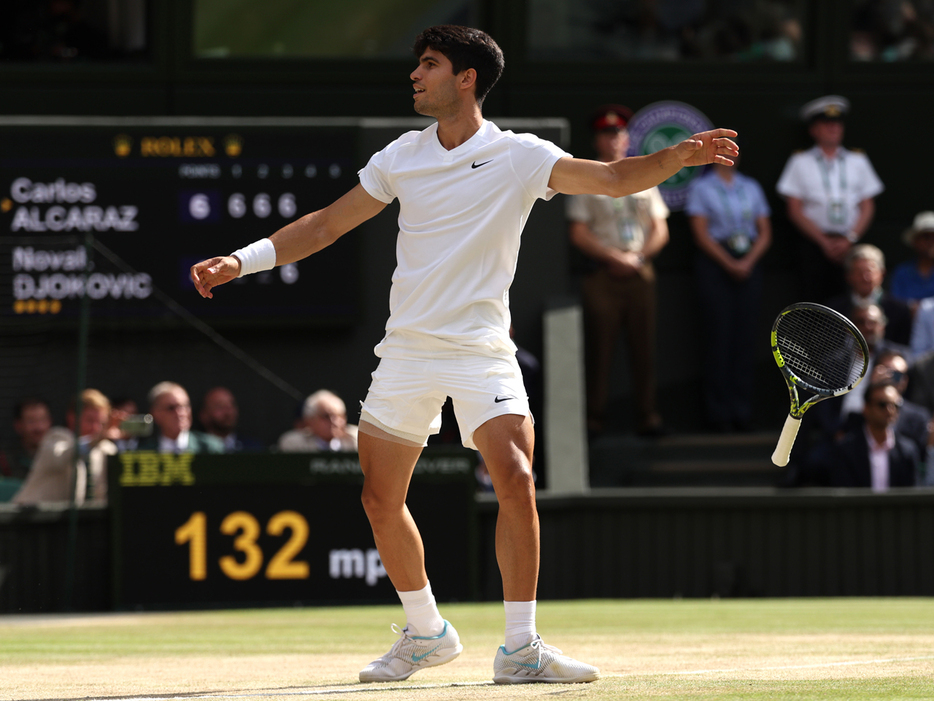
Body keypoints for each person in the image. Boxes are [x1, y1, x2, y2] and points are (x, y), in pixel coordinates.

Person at [190, 24, 737, 685]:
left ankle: (521, 647)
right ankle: (425, 632)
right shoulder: (402, 155)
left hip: (481, 349)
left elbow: (617, 178)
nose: (415, 75)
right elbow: (326, 224)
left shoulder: (520, 155)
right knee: (378, 497)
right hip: (408, 350)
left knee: (515, 475)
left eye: (429, 64)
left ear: (467, 78)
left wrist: (677, 157)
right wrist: (243, 260)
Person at [565, 104, 670, 437]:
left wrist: (638, 257)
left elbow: (660, 228)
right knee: (600, 346)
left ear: (627, 138)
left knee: (645, 347)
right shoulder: (585, 175)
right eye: (607, 135)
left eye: (619, 134)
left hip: (640, 272)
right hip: (602, 274)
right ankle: (594, 417)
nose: (614, 140)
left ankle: (648, 414)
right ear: (597, 141)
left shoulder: (644, 174)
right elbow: (578, 231)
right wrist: (613, 257)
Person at [685, 149, 771, 432]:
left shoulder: (751, 186)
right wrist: (729, 263)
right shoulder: (701, 187)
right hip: (716, 266)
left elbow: (764, 230)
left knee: (745, 340)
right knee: (718, 339)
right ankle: (717, 414)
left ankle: (742, 412)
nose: (730, 158)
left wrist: (747, 262)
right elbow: (700, 233)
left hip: (748, 262)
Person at [776, 95, 884, 302]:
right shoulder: (800, 161)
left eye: (837, 124)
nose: (834, 128)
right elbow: (794, 208)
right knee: (812, 303)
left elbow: (868, 206)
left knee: (848, 302)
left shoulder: (858, 160)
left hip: (850, 245)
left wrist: (849, 239)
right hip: (814, 245)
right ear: (814, 130)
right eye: (827, 124)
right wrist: (824, 242)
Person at [12, 389, 116, 505]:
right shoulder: (55, 437)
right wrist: (96, 440)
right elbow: (63, 456)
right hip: (26, 518)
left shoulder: (107, 449)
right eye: (90, 420)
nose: (96, 428)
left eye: (101, 423)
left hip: (80, 520)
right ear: (72, 417)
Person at [829, 380, 919, 490]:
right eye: (882, 404)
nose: (890, 410)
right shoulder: (846, 450)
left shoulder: (908, 451)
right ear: (866, 408)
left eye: (896, 405)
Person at [824, 244, 912, 346]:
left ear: (882, 274)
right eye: (859, 272)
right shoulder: (833, 310)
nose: (865, 278)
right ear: (848, 276)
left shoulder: (900, 310)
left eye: (869, 271)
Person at [136, 382, 224, 454]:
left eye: (185, 406)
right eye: (171, 408)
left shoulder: (211, 448)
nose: (180, 413)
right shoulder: (143, 452)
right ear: (155, 414)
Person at [277, 389, 358, 452]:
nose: (335, 422)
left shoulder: (358, 440)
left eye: (340, 416)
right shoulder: (293, 443)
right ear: (310, 420)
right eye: (326, 416)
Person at [199, 386, 265, 452]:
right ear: (203, 414)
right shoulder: (195, 449)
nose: (228, 412)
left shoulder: (252, 448)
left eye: (232, 405)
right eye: (220, 406)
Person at [1, 398, 52, 480]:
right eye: (31, 421)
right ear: (18, 426)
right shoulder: (5, 461)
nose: (39, 427)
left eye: (43, 420)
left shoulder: (58, 457)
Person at [891, 211, 934, 309]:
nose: (931, 242)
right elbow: (897, 305)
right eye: (926, 237)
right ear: (915, 241)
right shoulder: (902, 272)